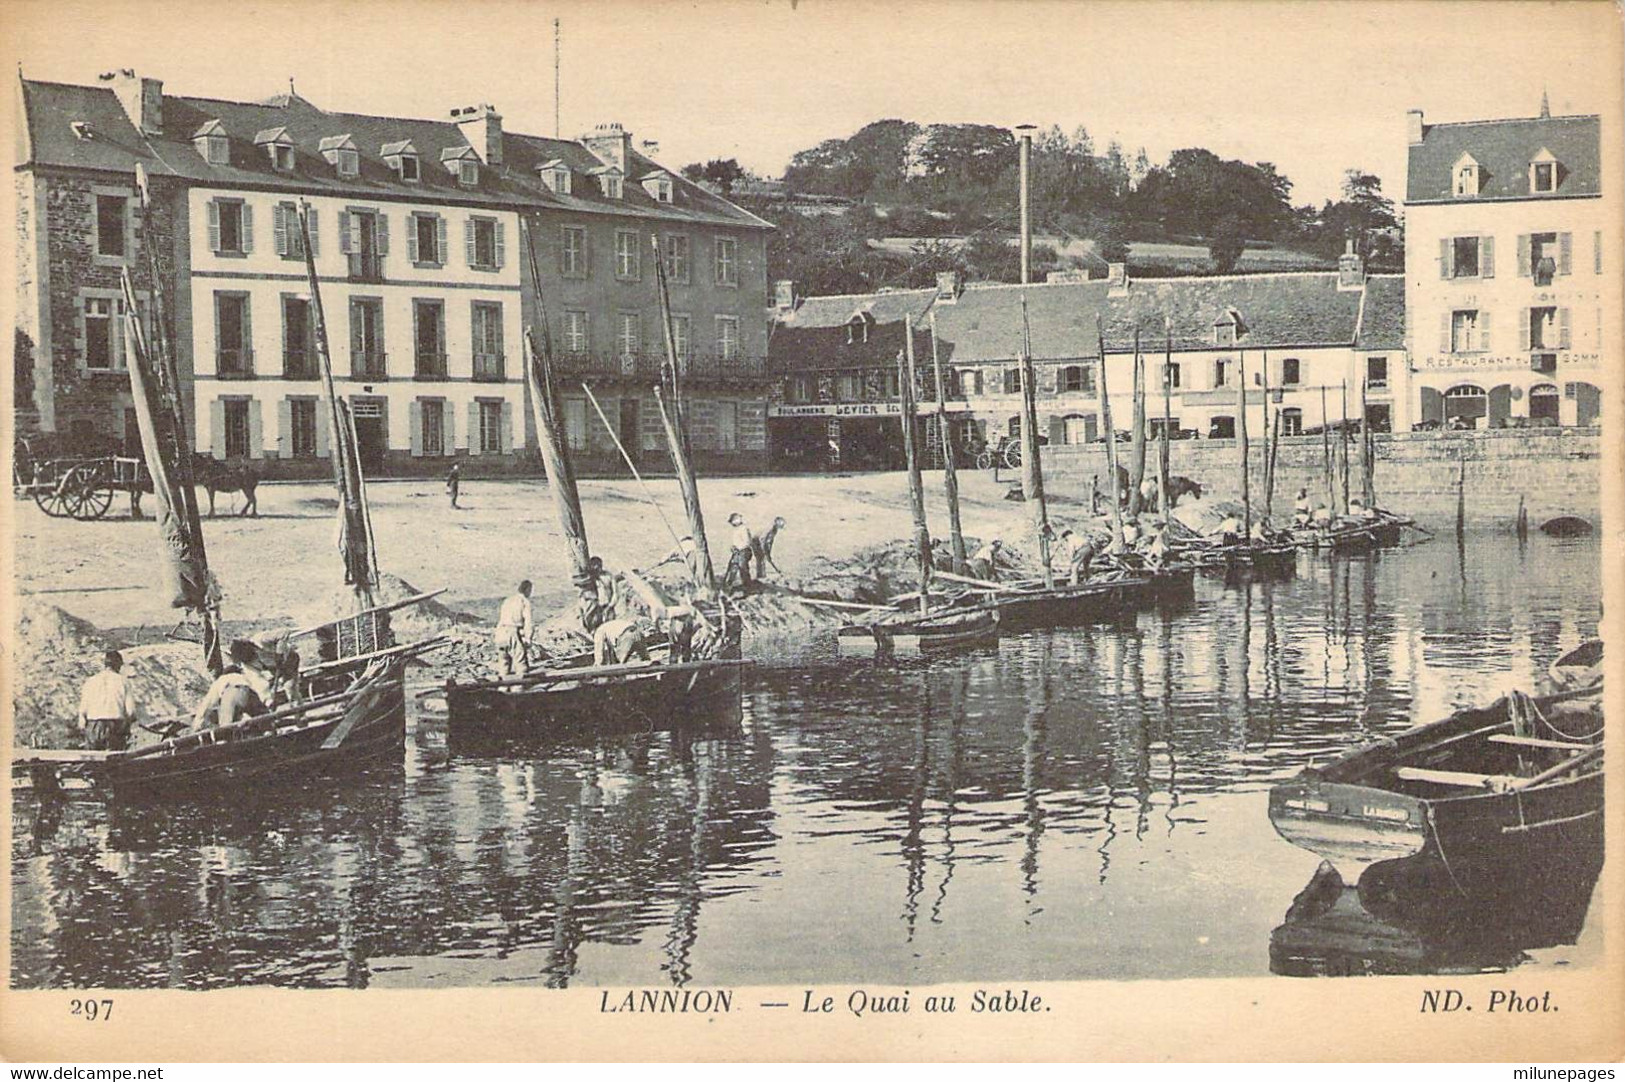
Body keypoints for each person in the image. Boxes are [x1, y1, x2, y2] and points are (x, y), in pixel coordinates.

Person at [193, 639, 272, 731]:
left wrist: (198, 722)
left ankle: (226, 740)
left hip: (232, 693)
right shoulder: (244, 677)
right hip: (248, 692)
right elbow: (260, 689)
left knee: (226, 727)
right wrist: (268, 702)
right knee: (263, 717)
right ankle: (269, 731)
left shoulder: (222, 680)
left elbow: (208, 703)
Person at [78, 649, 139, 751]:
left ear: (105, 664)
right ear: (118, 665)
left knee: (93, 762)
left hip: (93, 726)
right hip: (114, 726)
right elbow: (131, 712)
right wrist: (127, 725)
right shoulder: (123, 681)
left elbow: (82, 712)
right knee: (115, 763)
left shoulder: (90, 681)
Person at [494, 580, 534, 676]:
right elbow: (528, 622)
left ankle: (502, 687)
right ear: (528, 590)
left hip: (500, 632)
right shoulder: (524, 601)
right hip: (512, 631)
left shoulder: (508, 600)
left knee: (503, 662)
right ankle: (518, 688)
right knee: (520, 663)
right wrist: (528, 638)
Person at [576, 557, 613, 634]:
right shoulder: (590, 579)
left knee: (609, 628)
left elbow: (616, 593)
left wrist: (610, 606)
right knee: (595, 628)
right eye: (595, 566)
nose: (598, 568)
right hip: (596, 607)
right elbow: (582, 594)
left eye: (599, 566)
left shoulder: (608, 576)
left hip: (608, 606)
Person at [723, 513, 756, 594]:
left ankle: (748, 587)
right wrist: (733, 547)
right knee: (732, 567)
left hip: (744, 551)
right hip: (738, 551)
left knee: (743, 569)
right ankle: (728, 586)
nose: (732, 524)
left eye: (732, 522)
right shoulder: (736, 529)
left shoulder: (743, 529)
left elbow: (747, 542)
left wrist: (738, 548)